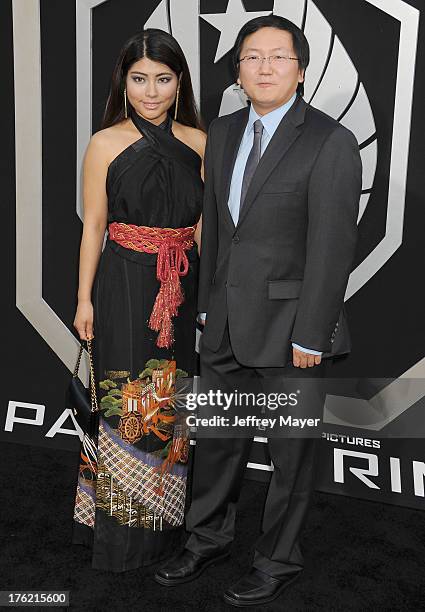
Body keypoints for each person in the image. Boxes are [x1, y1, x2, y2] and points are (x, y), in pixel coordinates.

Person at [154, 15, 362, 606]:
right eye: (252, 58)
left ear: (300, 69)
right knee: (217, 441)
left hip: (294, 331)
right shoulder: (220, 131)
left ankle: (277, 559)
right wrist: (203, 310)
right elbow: (219, 230)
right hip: (221, 323)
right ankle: (207, 538)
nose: (264, 67)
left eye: (277, 57)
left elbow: (331, 247)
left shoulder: (330, 141)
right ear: (238, 70)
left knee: (291, 458)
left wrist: (314, 333)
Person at [72, 28, 206, 572]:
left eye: (163, 79)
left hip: (182, 283)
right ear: (123, 83)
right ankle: (122, 533)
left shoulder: (199, 143)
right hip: (124, 280)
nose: (151, 91)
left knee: (171, 402)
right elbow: (94, 227)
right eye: (139, 79)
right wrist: (84, 300)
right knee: (126, 398)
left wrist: (202, 292)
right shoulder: (105, 142)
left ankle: (166, 526)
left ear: (180, 83)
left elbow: (202, 227)